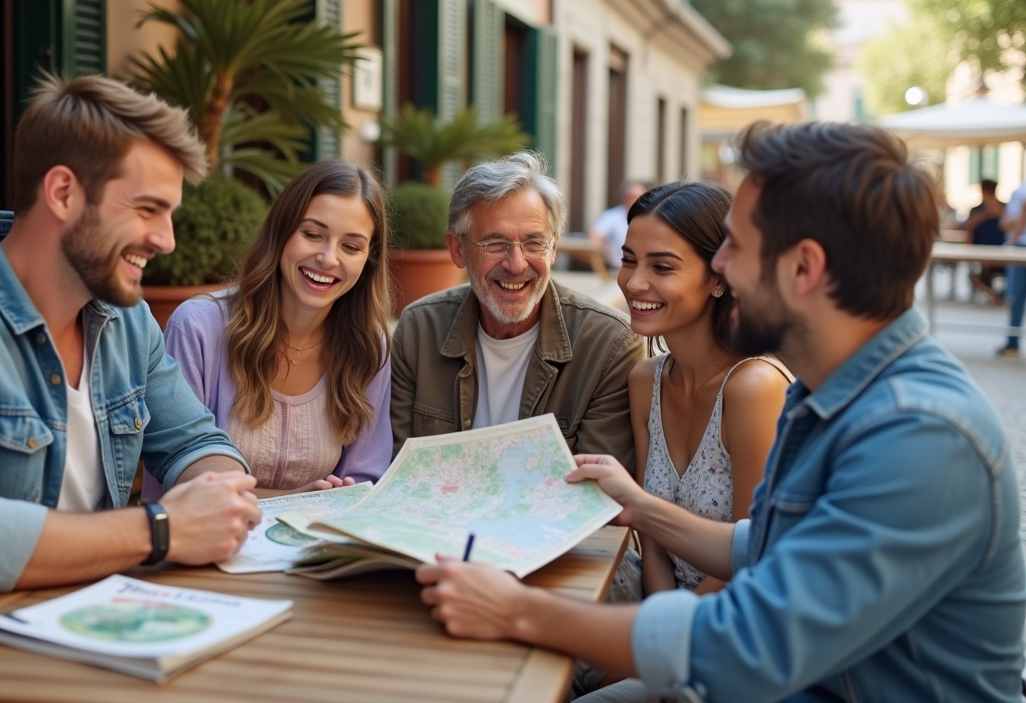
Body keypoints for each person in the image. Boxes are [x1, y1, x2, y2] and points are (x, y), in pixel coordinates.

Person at [417, 122, 1026, 702]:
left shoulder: (919, 433)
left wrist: (518, 610)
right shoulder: (830, 395)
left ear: (804, 267)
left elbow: (751, 641)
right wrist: (644, 507)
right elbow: (762, 547)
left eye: (736, 244)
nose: (722, 265)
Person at [0, 74, 262, 659]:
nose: (167, 240)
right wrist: (163, 528)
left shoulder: (124, 320)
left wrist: (217, 492)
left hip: (85, 641)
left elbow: (194, 440)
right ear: (62, 192)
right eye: (147, 210)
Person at [390, 152, 643, 470]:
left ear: (553, 249)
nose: (516, 263)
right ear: (457, 250)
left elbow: (597, 495)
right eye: (494, 243)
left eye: (534, 243)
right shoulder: (419, 330)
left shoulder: (609, 344)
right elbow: (400, 471)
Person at [159, 160, 393, 496]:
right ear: (280, 233)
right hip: (209, 543)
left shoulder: (369, 348)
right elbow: (177, 479)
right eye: (313, 234)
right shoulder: (197, 329)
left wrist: (342, 496)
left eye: (351, 246)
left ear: (368, 260)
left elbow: (364, 482)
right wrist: (298, 501)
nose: (328, 258)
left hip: (322, 544)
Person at [619, 181, 790, 597]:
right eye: (628, 260)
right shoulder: (646, 381)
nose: (635, 283)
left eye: (661, 267)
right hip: (667, 621)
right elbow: (653, 540)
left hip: (738, 622)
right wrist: (658, 620)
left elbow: (751, 559)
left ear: (719, 278)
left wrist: (662, 640)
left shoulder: (754, 387)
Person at [996, 178, 1026, 359]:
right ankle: (1012, 342)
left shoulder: (1020, 191)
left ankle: (1012, 343)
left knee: (1016, 296)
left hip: (1020, 248)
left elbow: (1016, 216)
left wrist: (1013, 241)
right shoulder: (1019, 190)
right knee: (1016, 296)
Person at [590, 180, 649, 269]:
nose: (634, 200)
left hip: (644, 266)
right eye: (630, 196)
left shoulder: (650, 217)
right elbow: (595, 235)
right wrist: (606, 250)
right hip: (617, 266)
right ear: (624, 198)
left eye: (638, 197)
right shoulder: (612, 215)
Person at [966, 178, 1006, 302]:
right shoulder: (976, 210)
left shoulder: (1005, 208)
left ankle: (998, 295)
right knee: (974, 273)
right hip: (980, 252)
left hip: (1001, 252)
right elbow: (969, 228)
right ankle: (993, 295)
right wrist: (986, 214)